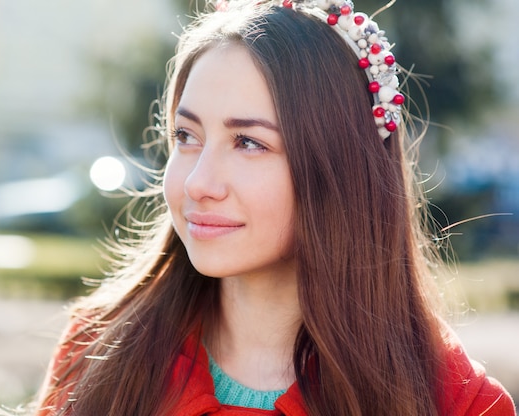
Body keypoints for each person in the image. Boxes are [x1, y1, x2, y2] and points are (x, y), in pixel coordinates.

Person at [31, 0, 516, 415]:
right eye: (186, 136)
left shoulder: (456, 402)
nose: (199, 183)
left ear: (341, 167)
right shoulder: (96, 354)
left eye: (248, 142)